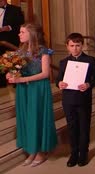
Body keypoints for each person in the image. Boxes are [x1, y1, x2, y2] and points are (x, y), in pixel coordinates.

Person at [7, 23, 57, 167]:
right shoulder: (20, 51)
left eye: (22, 32)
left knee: (37, 118)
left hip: (38, 88)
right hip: (24, 90)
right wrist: (12, 75)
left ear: (32, 34)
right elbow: (17, 70)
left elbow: (46, 73)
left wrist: (23, 79)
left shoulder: (43, 51)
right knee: (26, 118)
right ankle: (31, 151)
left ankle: (40, 152)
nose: (19, 34)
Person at [56, 33, 95, 167]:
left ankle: (83, 154)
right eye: (72, 46)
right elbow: (58, 79)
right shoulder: (63, 62)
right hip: (68, 99)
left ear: (82, 45)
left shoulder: (90, 60)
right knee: (72, 127)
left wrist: (88, 84)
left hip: (83, 99)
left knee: (84, 127)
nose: (75, 49)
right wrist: (59, 83)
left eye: (78, 45)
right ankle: (73, 154)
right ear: (67, 47)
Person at [0, 0, 25, 87]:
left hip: (10, 40)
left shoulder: (15, 10)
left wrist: (8, 27)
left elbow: (21, 24)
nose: (0, 3)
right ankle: (1, 83)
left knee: (13, 61)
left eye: (1, 1)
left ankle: (15, 82)